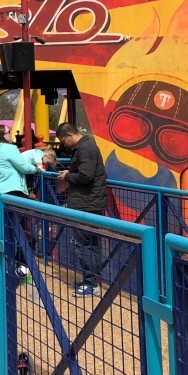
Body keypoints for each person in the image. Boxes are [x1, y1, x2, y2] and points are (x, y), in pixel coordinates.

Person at [55, 123, 108, 297]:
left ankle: (91, 283)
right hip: (89, 201)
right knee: (89, 245)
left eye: (64, 141)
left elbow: (86, 175)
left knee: (84, 246)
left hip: (86, 203)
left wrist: (67, 176)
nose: (64, 145)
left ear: (69, 135)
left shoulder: (85, 149)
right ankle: (91, 280)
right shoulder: (86, 147)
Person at [0, 125, 39, 283]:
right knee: (20, 230)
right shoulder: (9, 148)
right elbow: (24, 167)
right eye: (9, 132)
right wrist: (36, 169)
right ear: (3, 136)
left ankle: (1, 268)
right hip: (13, 193)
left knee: (1, 232)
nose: (12, 135)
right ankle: (21, 266)